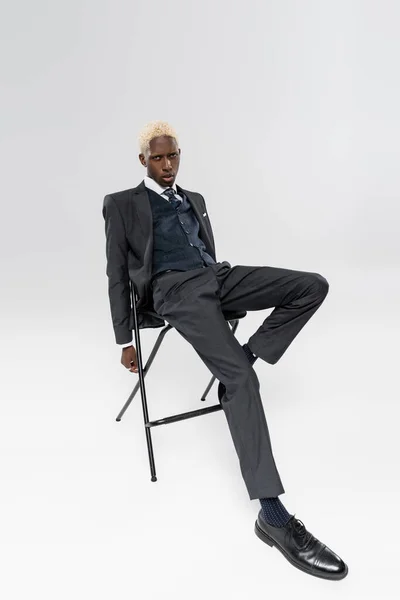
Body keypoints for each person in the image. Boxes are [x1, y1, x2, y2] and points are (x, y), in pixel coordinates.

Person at [102, 121, 348, 580]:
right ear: (143, 161)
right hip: (175, 294)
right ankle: (272, 518)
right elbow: (117, 273)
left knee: (311, 286)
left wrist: (242, 339)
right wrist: (124, 338)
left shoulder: (194, 199)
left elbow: (204, 251)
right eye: (158, 158)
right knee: (240, 381)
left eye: (173, 155)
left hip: (216, 278)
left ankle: (243, 359)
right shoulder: (121, 204)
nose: (168, 164)